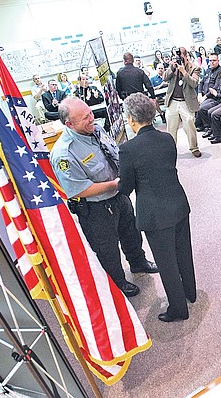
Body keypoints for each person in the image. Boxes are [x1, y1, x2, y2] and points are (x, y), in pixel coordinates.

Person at [49, 98, 158, 297]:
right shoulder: (64, 154)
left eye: (90, 113)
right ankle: (117, 283)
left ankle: (138, 262)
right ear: (69, 124)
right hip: (96, 209)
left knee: (131, 233)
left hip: (118, 196)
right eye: (85, 118)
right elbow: (79, 190)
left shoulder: (97, 130)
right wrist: (116, 183)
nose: (91, 119)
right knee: (107, 249)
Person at [119, 93, 196, 322]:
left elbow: (126, 187)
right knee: (183, 252)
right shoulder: (167, 138)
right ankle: (190, 292)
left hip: (154, 213)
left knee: (166, 263)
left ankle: (178, 308)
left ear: (132, 120)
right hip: (178, 203)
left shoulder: (128, 149)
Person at [163, 45, 202, 157]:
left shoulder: (194, 67)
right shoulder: (172, 66)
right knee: (171, 127)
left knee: (190, 123)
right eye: (176, 56)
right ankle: (172, 150)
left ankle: (194, 148)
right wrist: (172, 68)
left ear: (186, 56)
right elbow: (164, 78)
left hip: (186, 101)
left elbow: (194, 83)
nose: (178, 58)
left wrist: (184, 72)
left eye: (180, 56)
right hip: (173, 101)